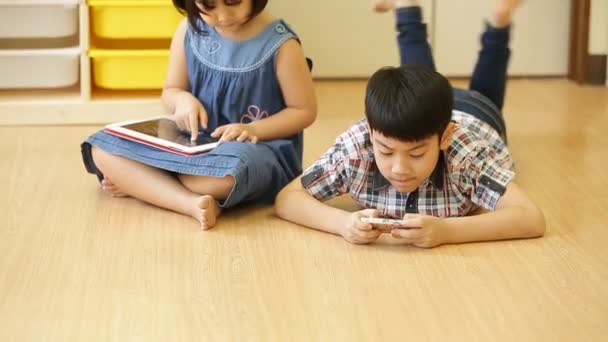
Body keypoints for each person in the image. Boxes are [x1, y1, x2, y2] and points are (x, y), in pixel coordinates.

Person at [275, 0, 545, 247]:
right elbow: (288, 198)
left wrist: (448, 232)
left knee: (485, 94)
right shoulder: (355, 149)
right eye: (386, 151)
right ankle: (407, 6)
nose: (400, 168)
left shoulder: (465, 157)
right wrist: (342, 223)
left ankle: (500, 23)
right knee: (417, 78)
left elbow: (530, 217)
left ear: (444, 139)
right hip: (429, 112)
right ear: (370, 133)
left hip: (478, 115)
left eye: (416, 153)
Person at [81, 0, 317, 230]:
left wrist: (253, 129)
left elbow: (303, 111)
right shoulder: (189, 30)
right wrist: (183, 101)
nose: (223, 16)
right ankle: (190, 203)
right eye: (208, 5)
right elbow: (171, 91)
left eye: (233, 2)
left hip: (257, 148)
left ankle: (146, 184)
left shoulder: (282, 45)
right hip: (193, 144)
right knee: (101, 147)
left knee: (214, 179)